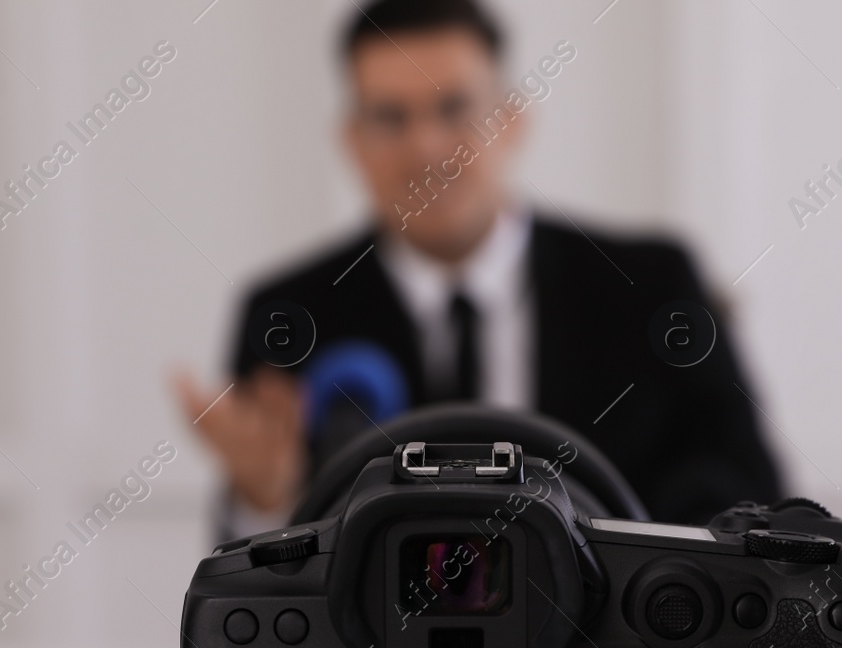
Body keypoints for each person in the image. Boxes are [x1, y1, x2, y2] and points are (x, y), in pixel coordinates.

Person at [173, 0, 784, 543]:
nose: (427, 148)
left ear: (512, 120)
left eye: (455, 108)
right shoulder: (288, 316)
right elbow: (253, 587)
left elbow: (754, 504)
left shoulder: (651, 289)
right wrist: (263, 499)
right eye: (391, 117)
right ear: (353, 141)